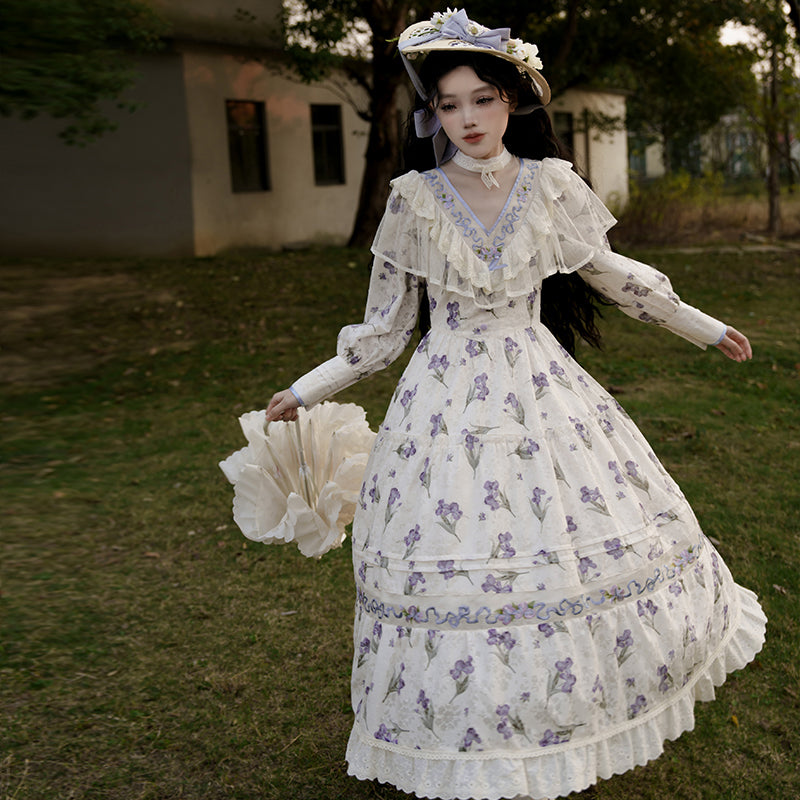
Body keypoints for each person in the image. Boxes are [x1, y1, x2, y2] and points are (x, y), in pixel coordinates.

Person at [265, 9, 766, 799]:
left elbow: (609, 273)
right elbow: (383, 331)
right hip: (443, 404)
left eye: (482, 100)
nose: (465, 118)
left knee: (561, 542)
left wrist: (701, 326)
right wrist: (306, 388)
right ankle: (464, 729)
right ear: (434, 114)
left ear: (514, 103)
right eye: (449, 104)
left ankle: (557, 712)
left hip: (541, 392)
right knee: (454, 560)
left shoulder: (552, 187)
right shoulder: (413, 201)